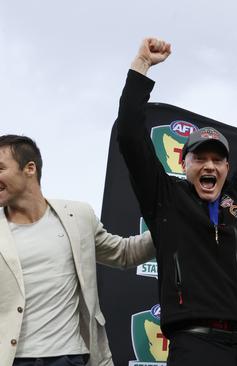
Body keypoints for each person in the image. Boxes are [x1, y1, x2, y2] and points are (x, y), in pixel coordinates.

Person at [115, 38, 237, 365]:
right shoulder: (165, 199)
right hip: (196, 346)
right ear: (184, 164)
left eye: (217, 160)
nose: (209, 165)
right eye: (199, 158)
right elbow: (130, 136)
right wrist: (141, 65)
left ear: (226, 168)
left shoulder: (234, 203)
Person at [0, 135, 155, 366]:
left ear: (29, 168)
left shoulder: (77, 216)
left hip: (70, 357)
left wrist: (169, 226)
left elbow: (124, 253)